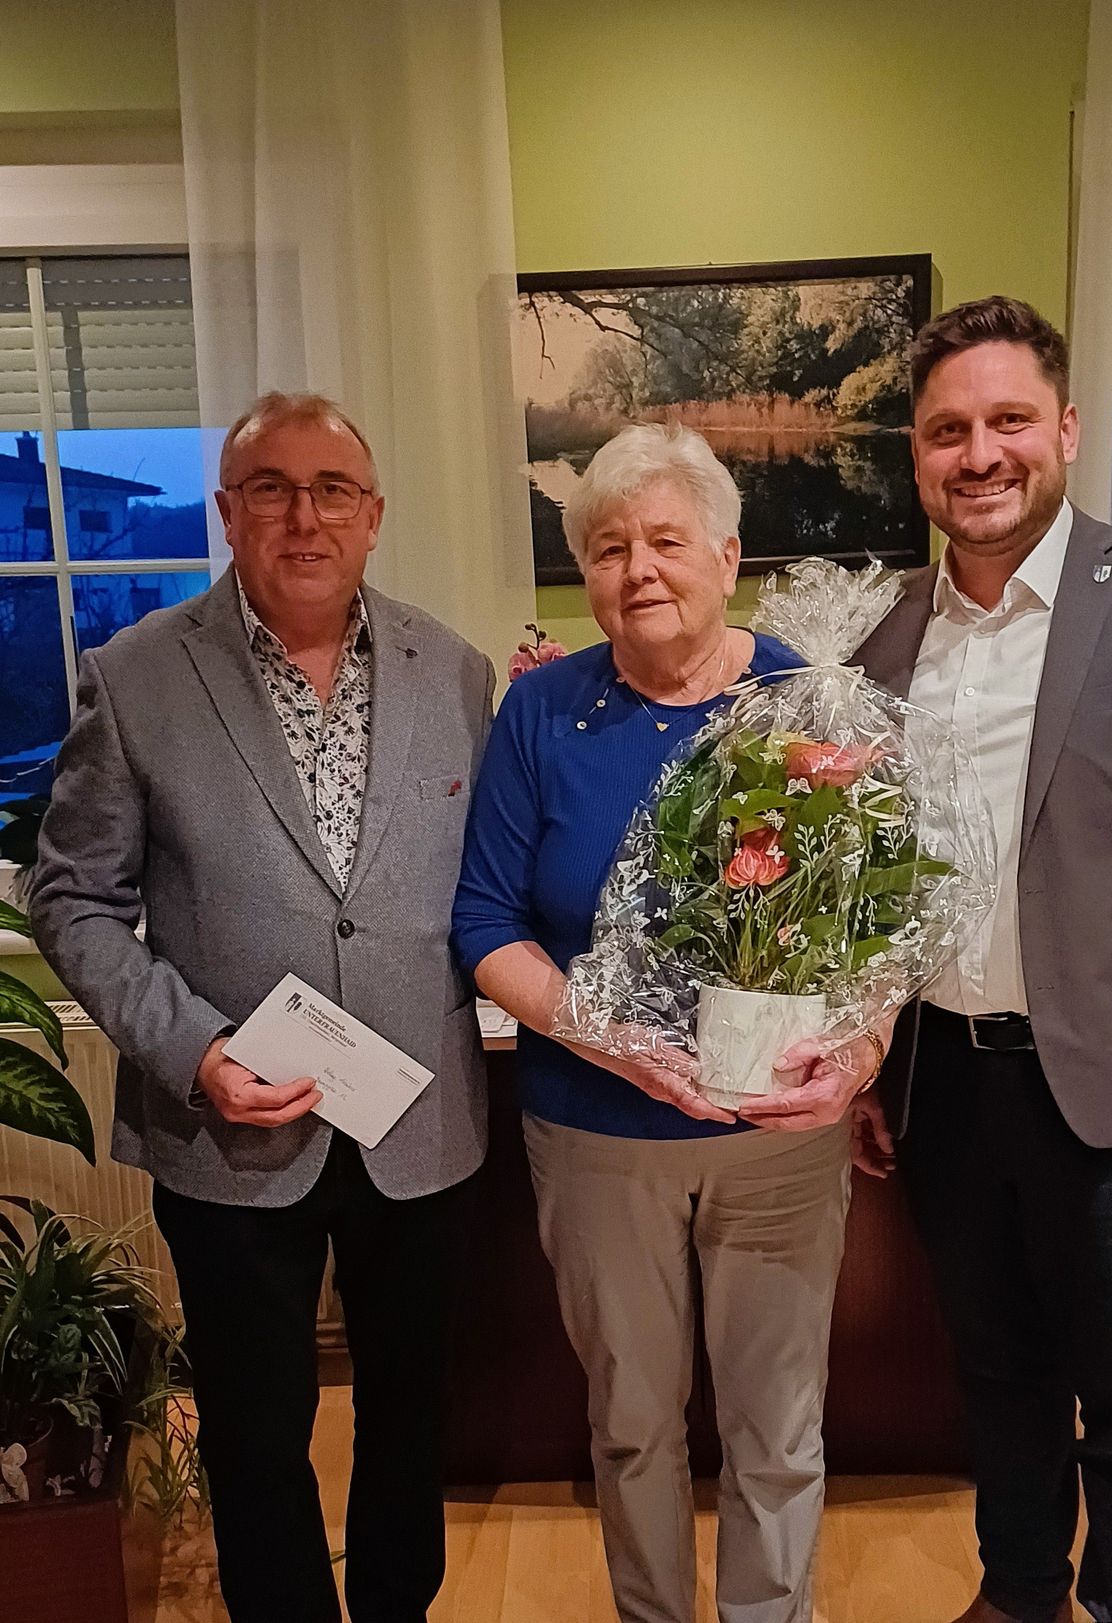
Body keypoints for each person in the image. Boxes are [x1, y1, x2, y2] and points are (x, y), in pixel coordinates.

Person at [847, 296, 1112, 1623]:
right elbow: (866, 874)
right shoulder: (879, 632)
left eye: (1005, 421)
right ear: (912, 457)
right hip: (942, 1086)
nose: (977, 453)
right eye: (945, 431)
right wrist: (867, 1051)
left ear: (1066, 430)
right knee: (994, 1373)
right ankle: (1020, 1590)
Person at [30, 392, 493, 1623]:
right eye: (271, 489)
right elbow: (71, 900)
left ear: (374, 515)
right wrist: (196, 1052)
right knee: (253, 1423)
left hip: (421, 1126)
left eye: (332, 488)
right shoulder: (134, 678)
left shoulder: (456, 669)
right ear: (228, 513)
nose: (304, 515)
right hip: (229, 1129)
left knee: (412, 1411)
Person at [452, 423, 882, 1623]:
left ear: (728, 553)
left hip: (778, 1136)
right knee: (632, 1426)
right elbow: (485, 921)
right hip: (596, 1136)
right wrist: (602, 1032)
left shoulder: (811, 700)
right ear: (582, 574)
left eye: (664, 541)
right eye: (605, 548)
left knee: (778, 1429)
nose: (636, 570)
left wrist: (866, 1047)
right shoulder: (541, 717)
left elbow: (876, 924)